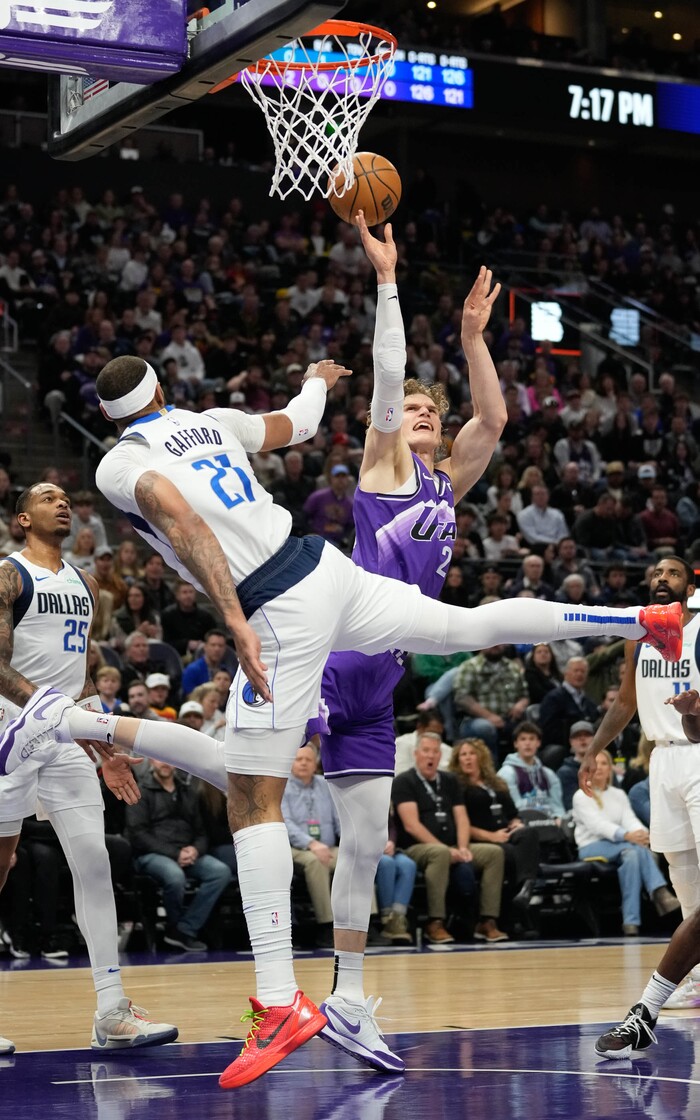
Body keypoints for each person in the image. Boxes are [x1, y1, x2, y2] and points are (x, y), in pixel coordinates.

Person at [0, 342, 680, 1086]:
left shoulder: (116, 464)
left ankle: (278, 1000)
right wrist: (316, 380)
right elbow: (295, 422)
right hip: (328, 569)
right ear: (164, 389)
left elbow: (182, 523)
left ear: (104, 415)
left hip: (277, 605)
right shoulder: (210, 419)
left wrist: (235, 621)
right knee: (465, 626)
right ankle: (637, 617)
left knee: (250, 796)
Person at [0, 483, 177, 1052]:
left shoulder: (87, 582)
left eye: (64, 497)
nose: (62, 502)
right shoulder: (8, 574)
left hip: (65, 736)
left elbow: (77, 679)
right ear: (22, 518)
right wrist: (45, 708)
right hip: (10, 727)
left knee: (95, 862)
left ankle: (111, 1011)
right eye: (47, 497)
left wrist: (100, 746)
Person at [580, 557, 700, 1056]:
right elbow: (626, 700)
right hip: (661, 759)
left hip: (698, 753)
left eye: (671, 572)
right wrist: (596, 746)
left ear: (690, 583)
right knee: (684, 876)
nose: (660, 577)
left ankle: (649, 1004)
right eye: (655, 572)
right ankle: (693, 981)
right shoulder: (640, 633)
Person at [393, 733, 507, 945]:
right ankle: (435, 921)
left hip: (453, 845)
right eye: (426, 751)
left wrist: (463, 847)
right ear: (416, 754)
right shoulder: (404, 781)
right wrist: (445, 848)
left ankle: (487, 920)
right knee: (440, 853)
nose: (431, 756)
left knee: (494, 853)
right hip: (417, 849)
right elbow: (412, 825)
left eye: (435, 752)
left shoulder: (450, 780)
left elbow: (461, 817)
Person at [125, 759, 232, 951]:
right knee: (174, 876)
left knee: (220, 872)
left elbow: (201, 832)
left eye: (168, 759)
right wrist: (175, 853)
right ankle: (173, 927)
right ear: (151, 760)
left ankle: (184, 930)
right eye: (159, 758)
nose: (165, 763)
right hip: (151, 855)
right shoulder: (140, 791)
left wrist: (195, 850)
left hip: (187, 852)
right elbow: (137, 834)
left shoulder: (187, 791)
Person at [573, 749, 679, 937]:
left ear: (610, 768)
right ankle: (659, 892)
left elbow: (630, 819)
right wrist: (627, 835)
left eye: (604, 763)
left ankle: (631, 922)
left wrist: (642, 834)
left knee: (632, 855)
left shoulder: (618, 794)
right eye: (595, 763)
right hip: (591, 846)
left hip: (623, 847)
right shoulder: (581, 795)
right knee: (633, 849)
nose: (599, 768)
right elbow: (597, 825)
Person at [449, 737, 540, 916]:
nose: (467, 758)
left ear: (481, 757)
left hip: (505, 833)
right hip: (480, 839)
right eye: (463, 755)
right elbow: (459, 823)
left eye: (472, 754)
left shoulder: (497, 783)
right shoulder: (456, 786)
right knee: (513, 855)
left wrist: (516, 824)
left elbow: (513, 814)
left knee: (529, 833)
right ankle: (516, 910)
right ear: (457, 759)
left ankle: (526, 887)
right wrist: (491, 836)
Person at [281, 741, 340, 949]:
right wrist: (312, 843)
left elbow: (339, 819)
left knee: (355, 858)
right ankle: (327, 925)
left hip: (328, 847)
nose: (303, 763)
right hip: (295, 848)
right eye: (298, 759)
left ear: (316, 764)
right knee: (316, 862)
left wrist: (354, 843)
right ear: (290, 763)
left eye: (308, 759)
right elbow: (284, 823)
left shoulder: (326, 785)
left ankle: (366, 923)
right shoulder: (281, 786)